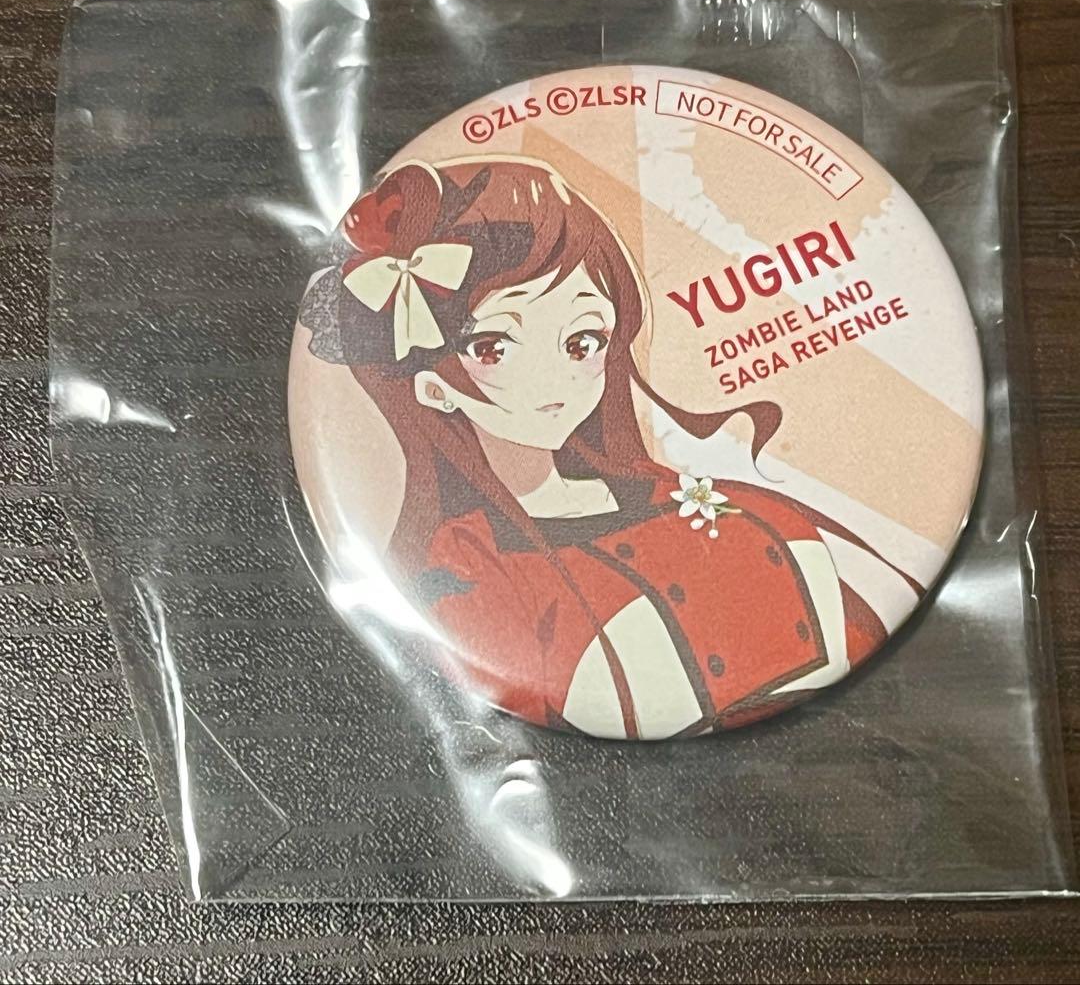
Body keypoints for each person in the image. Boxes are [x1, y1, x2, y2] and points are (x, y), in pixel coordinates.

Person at [298, 156, 922, 739]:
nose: (555, 379)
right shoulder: (462, 575)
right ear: (432, 388)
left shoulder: (702, 502)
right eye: (494, 347)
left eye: (582, 341)